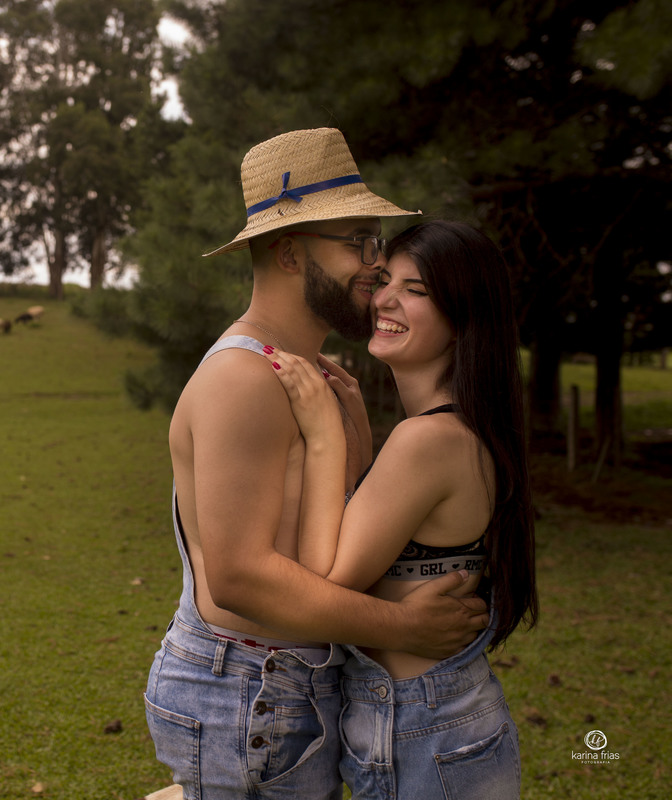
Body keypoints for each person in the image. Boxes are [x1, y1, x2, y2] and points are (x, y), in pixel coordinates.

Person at [144, 128, 489, 800]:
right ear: (290, 253)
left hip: (289, 692)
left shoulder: (323, 381)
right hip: (247, 695)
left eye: (376, 240)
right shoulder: (244, 379)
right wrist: (405, 626)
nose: (375, 263)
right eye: (356, 241)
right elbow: (238, 577)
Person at [263, 220, 539, 798]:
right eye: (385, 278)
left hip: (424, 729)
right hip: (428, 717)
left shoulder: (430, 440)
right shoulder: (453, 427)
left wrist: (324, 437)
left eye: (417, 289)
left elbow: (325, 583)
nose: (383, 297)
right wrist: (359, 437)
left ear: (465, 318)